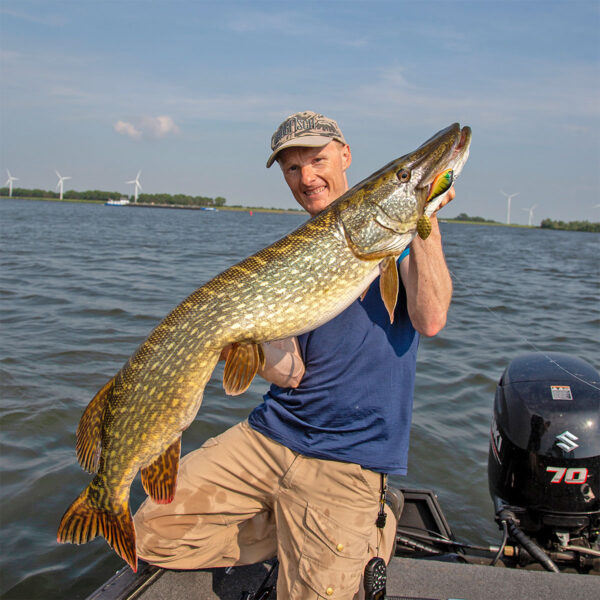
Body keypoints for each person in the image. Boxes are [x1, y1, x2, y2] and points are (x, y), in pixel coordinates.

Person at [134, 111, 453, 599]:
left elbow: (431, 319)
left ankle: (360, 530)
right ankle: (293, 528)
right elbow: (291, 374)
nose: (307, 178)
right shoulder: (287, 257)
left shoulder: (400, 243)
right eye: (292, 169)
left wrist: (423, 217)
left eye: (318, 160)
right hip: (272, 434)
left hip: (347, 458)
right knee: (150, 533)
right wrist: (237, 340)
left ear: (345, 156)